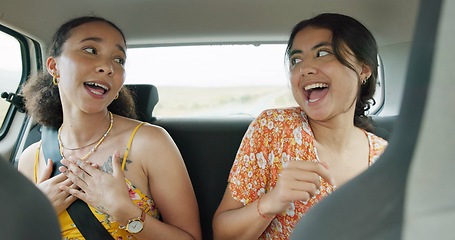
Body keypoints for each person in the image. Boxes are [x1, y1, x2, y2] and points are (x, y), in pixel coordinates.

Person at [18, 16, 201, 240]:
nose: (107, 67)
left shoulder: (149, 142)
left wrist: (124, 212)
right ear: (54, 67)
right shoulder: (31, 159)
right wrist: (36, 215)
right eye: (90, 50)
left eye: (119, 59)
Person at [212, 13, 388, 240]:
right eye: (296, 60)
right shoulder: (272, 129)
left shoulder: (384, 155)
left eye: (322, 53)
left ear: (364, 69)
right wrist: (272, 201)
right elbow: (222, 235)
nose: (305, 69)